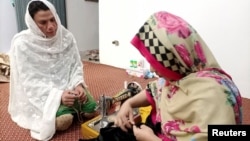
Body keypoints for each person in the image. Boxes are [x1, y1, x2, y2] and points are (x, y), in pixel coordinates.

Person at [114, 11, 242, 141]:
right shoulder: (176, 77)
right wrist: (129, 103)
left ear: (176, 59)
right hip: (154, 130)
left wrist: (151, 139)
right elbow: (153, 90)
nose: (152, 69)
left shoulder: (214, 96)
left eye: (157, 64)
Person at [8, 0, 98, 140]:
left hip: (70, 86)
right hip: (46, 93)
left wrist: (78, 84)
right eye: (43, 23)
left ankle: (71, 107)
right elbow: (29, 82)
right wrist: (59, 96)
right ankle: (65, 110)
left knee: (92, 109)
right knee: (64, 121)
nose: (51, 26)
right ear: (32, 23)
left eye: (52, 19)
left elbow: (75, 66)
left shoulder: (66, 36)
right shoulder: (23, 43)